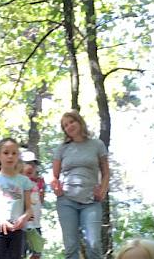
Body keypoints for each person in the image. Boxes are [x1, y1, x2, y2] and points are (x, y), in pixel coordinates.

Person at [51, 110, 109, 259]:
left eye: (71, 122)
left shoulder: (97, 144)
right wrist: (56, 187)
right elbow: (54, 176)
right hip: (67, 200)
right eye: (65, 125)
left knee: (94, 244)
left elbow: (106, 172)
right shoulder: (62, 148)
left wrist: (102, 189)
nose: (69, 126)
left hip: (91, 200)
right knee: (71, 247)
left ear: (79, 122)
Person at [0, 138, 33, 259]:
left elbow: (29, 208)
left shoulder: (24, 181)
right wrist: (0, 219)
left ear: (18, 156)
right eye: (6, 153)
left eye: (14, 153)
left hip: (17, 228)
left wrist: (23, 218)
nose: (10, 156)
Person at [20, 150, 45, 259]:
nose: (30, 167)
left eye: (33, 164)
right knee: (20, 252)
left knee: (37, 252)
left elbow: (41, 200)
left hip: (35, 224)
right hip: (20, 225)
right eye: (27, 163)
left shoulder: (39, 182)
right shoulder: (17, 182)